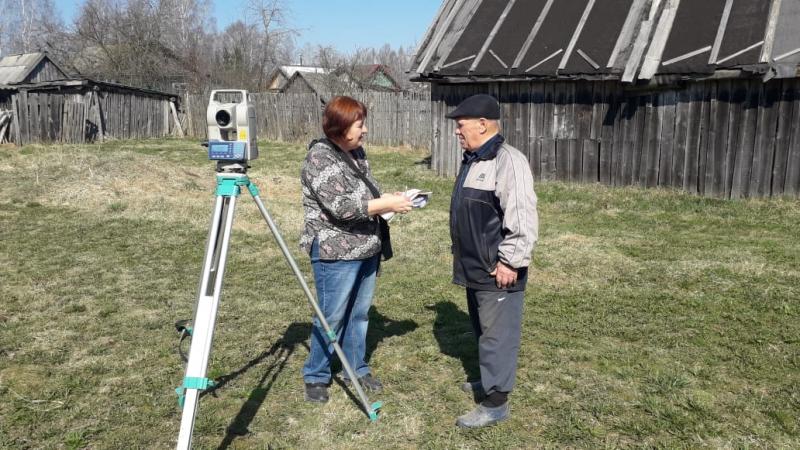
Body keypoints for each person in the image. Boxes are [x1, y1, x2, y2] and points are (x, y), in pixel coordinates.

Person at [299, 96, 413, 403]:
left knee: (359, 315)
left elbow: (365, 194)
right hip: (335, 251)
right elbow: (343, 208)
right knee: (332, 316)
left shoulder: (356, 153)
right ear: (341, 126)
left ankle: (355, 367)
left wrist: (389, 199)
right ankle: (316, 375)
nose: (364, 130)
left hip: (366, 248)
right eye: (359, 124)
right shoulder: (319, 158)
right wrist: (386, 204)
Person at [446, 94, 539, 428]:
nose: (457, 131)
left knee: (498, 335)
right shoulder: (473, 159)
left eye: (461, 125)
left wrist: (510, 262)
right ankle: (488, 380)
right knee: (484, 331)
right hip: (475, 267)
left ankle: (496, 402)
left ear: (482, 124)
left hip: (497, 269)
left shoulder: (508, 161)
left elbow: (522, 217)